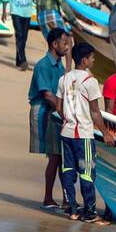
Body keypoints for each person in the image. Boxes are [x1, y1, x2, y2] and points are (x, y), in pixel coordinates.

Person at [57, 42, 115, 222]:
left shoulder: (64, 78)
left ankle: (73, 209)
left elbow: (59, 107)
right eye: (92, 57)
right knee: (87, 173)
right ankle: (89, 213)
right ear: (84, 60)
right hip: (83, 135)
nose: (93, 60)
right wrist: (105, 132)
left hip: (66, 132)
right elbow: (95, 111)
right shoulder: (90, 82)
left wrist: (68, 118)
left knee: (68, 170)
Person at [29, 26, 71, 209]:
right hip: (45, 111)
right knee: (54, 156)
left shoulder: (59, 65)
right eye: (64, 43)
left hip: (56, 111)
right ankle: (48, 197)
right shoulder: (43, 65)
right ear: (54, 44)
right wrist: (66, 112)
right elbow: (47, 95)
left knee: (61, 157)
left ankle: (66, 197)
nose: (67, 47)